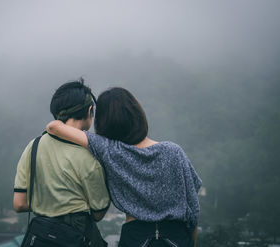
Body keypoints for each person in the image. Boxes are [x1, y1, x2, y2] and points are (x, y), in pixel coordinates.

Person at [47, 87, 202, 247]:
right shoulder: (173, 151)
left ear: (103, 121)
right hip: (177, 236)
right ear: (137, 114)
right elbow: (193, 209)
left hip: (135, 237)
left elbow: (53, 127)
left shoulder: (108, 150)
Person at [13, 79, 110, 246]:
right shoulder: (89, 154)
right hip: (77, 233)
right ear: (89, 111)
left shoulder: (33, 146)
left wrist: (48, 204)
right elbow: (98, 213)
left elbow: (19, 203)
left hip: (41, 234)